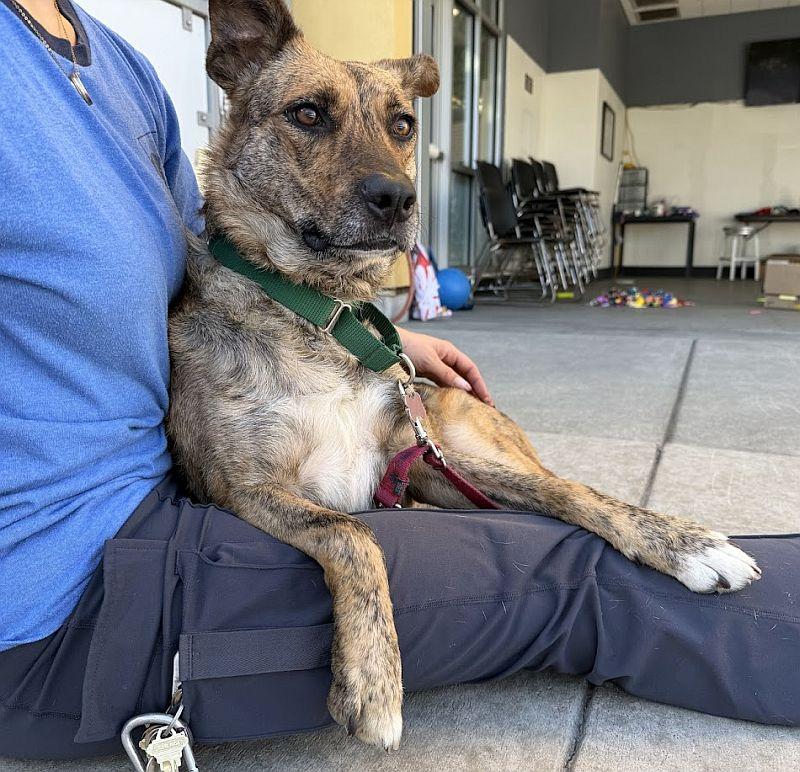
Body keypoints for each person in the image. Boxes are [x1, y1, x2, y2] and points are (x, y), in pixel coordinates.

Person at [1, 0, 798, 762]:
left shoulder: (116, 66)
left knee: (544, 517)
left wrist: (372, 331)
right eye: (311, 118)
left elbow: (190, 232)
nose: (385, 177)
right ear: (240, 79)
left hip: (175, 495)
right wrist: (353, 561)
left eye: (398, 130)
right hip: (67, 597)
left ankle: (656, 533)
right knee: (574, 576)